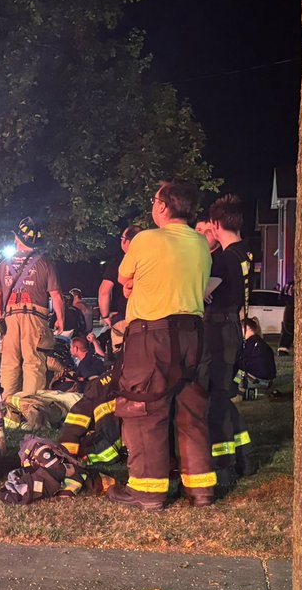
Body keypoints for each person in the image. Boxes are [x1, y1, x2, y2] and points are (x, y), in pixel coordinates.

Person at [109, 179, 216, 510]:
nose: (153, 205)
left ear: (163, 206)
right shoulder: (200, 243)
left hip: (152, 335)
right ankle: (200, 491)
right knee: (191, 412)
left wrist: (136, 287)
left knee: (144, 409)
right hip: (194, 335)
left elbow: (124, 278)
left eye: (155, 200)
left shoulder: (145, 240)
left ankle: (148, 492)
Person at [204, 194, 254, 480]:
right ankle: (243, 455)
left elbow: (200, 293)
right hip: (233, 325)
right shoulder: (244, 252)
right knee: (222, 394)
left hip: (219, 330)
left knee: (217, 397)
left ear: (216, 223)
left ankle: (225, 462)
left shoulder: (222, 259)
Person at [0, 217, 65, 396]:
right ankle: (32, 413)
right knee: (33, 363)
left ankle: (9, 411)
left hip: (9, 317)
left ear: (17, 239)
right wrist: (61, 319)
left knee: (9, 364)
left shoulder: (4, 264)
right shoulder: (45, 263)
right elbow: (56, 295)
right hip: (35, 318)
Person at [99, 226, 139, 352]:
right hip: (148, 319)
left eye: (122, 238)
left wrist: (105, 316)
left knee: (121, 358)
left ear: (127, 241)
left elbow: (104, 292)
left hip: (123, 318)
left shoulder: (119, 262)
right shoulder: (151, 260)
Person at [238, 317, 276, 394]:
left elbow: (243, 364)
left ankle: (235, 387)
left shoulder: (251, 344)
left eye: (240, 328)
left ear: (247, 328)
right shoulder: (258, 341)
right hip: (266, 379)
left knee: (237, 370)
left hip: (258, 380)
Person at [278, 283, 294, 355]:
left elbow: (281, 298)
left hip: (288, 308)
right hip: (293, 307)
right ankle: (283, 349)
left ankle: (283, 349)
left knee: (287, 329)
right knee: (289, 329)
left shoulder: (288, 285)